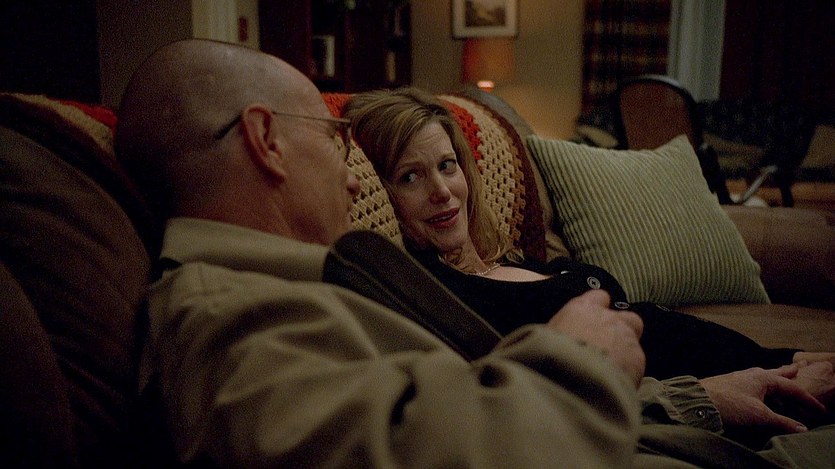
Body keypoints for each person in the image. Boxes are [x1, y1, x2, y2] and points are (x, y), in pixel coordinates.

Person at [115, 39, 835, 468]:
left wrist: (694, 398)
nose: (350, 175)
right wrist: (580, 358)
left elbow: (455, 401)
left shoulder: (298, 288)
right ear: (266, 140)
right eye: (332, 140)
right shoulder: (224, 317)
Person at [343, 87, 835, 405]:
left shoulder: (504, 259)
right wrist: (707, 395)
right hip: (728, 392)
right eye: (410, 177)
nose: (442, 192)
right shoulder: (447, 299)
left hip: (753, 357)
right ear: (385, 196)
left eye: (446, 166)